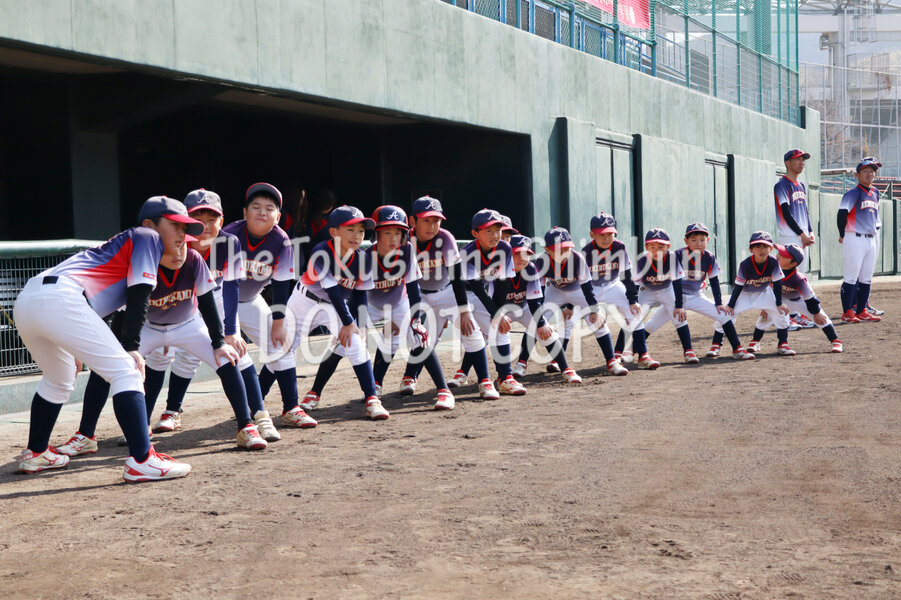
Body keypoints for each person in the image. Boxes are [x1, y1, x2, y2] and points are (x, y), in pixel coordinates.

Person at [14, 196, 198, 481]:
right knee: (127, 370)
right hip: (62, 298)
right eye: (175, 225)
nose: (182, 234)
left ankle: (36, 452)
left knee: (59, 377)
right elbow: (140, 294)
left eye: (185, 228)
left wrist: (74, 344)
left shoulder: (122, 247)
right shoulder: (147, 236)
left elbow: (105, 307)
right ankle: (142, 460)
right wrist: (132, 348)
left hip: (29, 301)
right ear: (150, 224)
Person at [58, 228, 269, 454]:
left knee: (226, 357)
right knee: (104, 368)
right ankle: (86, 435)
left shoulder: (194, 259)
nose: (178, 253)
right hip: (149, 328)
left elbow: (208, 304)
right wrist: (126, 348)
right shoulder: (142, 266)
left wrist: (218, 342)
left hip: (188, 325)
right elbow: (120, 313)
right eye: (172, 247)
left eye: (182, 244)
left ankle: (246, 426)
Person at [143, 189, 279, 441]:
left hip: (215, 296)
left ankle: (260, 416)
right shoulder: (172, 241)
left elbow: (231, 288)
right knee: (163, 356)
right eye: (198, 219)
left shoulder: (229, 242)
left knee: (235, 352)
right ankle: (166, 413)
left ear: (221, 220)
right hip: (179, 301)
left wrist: (231, 331)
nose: (205, 226)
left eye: (212, 219)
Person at [225, 183, 317, 429]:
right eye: (256, 206)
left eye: (269, 208)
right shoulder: (229, 235)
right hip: (220, 302)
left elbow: (281, 285)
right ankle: (172, 410)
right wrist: (229, 327)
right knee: (190, 358)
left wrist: (278, 322)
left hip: (251, 300)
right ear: (245, 212)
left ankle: (291, 408)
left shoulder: (281, 241)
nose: (262, 212)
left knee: (281, 345)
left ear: (278, 217)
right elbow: (222, 285)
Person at [285, 205, 389, 420]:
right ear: (333, 232)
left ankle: (372, 399)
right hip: (303, 301)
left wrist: (359, 325)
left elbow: (360, 294)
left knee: (355, 343)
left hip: (332, 306)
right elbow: (332, 291)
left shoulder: (363, 259)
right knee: (283, 350)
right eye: (350, 229)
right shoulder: (321, 251)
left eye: (361, 231)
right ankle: (256, 401)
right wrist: (348, 322)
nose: (357, 235)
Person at [400, 196, 499, 400]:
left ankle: (485, 381)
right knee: (421, 337)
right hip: (418, 294)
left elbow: (456, 277)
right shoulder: (403, 240)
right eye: (426, 220)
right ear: (412, 221)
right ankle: (410, 376)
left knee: (471, 331)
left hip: (446, 292)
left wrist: (464, 311)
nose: (432, 226)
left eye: (436, 220)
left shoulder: (445, 238)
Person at [640, 223, 754, 360]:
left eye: (702, 240)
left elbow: (714, 281)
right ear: (686, 241)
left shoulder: (709, 257)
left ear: (708, 240)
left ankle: (737, 349)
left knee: (724, 316)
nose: (698, 243)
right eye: (693, 240)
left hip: (696, 297)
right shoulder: (677, 255)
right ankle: (632, 351)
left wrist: (718, 303)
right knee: (651, 326)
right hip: (675, 299)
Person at [533, 226, 628, 376]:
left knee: (597, 320)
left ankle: (612, 361)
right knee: (536, 321)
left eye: (566, 248)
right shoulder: (541, 261)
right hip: (555, 290)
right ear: (547, 250)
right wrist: (540, 321)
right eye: (558, 249)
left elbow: (587, 287)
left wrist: (593, 310)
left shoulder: (577, 258)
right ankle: (521, 364)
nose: (563, 253)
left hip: (577, 290)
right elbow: (538, 290)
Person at [457, 209, 526, 394]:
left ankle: (505, 378)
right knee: (435, 338)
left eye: (497, 230)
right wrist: (495, 313)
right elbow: (476, 287)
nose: (495, 235)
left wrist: (498, 313)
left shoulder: (504, 248)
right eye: (488, 231)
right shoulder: (467, 253)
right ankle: (410, 377)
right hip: (456, 295)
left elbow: (503, 283)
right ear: (475, 233)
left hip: (479, 294)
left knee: (499, 328)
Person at [501, 235, 582, 383]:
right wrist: (497, 315)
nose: (521, 258)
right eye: (516, 253)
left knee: (546, 331)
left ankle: (566, 369)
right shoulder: (499, 270)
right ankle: (464, 373)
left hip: (524, 307)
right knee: (481, 337)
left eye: (526, 254)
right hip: (500, 310)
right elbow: (492, 299)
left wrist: (541, 324)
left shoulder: (531, 269)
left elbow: (534, 302)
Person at [747, 243, 843, 354]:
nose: (778, 255)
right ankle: (756, 341)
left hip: (800, 301)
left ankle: (835, 341)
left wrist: (816, 313)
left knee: (821, 318)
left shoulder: (798, 278)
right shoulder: (772, 270)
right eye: (779, 253)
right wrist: (766, 306)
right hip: (781, 301)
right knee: (765, 317)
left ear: (793, 263)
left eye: (783, 255)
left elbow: (811, 299)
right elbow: (768, 289)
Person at [708, 231, 793, 356]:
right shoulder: (745, 264)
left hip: (763, 293)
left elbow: (778, 282)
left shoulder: (773, 262)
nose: (762, 250)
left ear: (771, 249)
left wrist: (779, 303)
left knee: (781, 311)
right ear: (751, 249)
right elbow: (738, 286)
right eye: (757, 246)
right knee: (726, 314)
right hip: (743, 294)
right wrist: (731, 305)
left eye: (765, 246)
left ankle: (783, 343)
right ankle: (716, 344)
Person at [630, 228, 694, 368]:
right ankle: (629, 351)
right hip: (647, 291)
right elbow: (634, 284)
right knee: (635, 317)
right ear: (646, 247)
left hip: (667, 290)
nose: (657, 250)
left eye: (661, 246)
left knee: (679, 317)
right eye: (652, 246)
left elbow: (677, 283)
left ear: (668, 246)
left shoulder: (672, 258)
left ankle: (688, 351)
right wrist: (633, 302)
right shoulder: (642, 260)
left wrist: (679, 305)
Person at [838, 157, 883, 324]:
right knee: (851, 277)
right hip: (854, 237)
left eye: (872, 171)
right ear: (857, 175)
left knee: (866, 277)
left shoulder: (875, 192)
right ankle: (847, 312)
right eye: (865, 171)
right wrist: (842, 234)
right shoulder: (853, 193)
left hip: (870, 239)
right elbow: (842, 214)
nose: (869, 174)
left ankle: (862, 310)